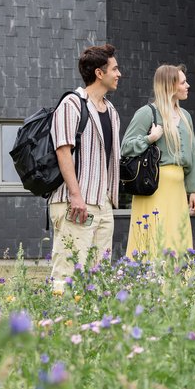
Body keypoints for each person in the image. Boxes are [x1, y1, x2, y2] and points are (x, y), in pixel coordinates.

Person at [49, 44, 122, 291]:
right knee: (68, 269)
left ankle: (92, 326)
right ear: (100, 74)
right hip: (76, 201)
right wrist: (76, 195)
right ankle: (59, 323)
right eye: (115, 68)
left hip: (102, 203)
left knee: (99, 274)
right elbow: (63, 149)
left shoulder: (111, 111)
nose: (119, 73)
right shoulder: (72, 103)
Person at [122, 64, 195, 257]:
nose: (187, 86)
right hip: (153, 186)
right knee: (152, 236)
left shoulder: (186, 117)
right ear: (170, 86)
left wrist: (194, 190)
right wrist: (149, 138)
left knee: (177, 236)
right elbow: (125, 147)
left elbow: (192, 154)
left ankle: (177, 284)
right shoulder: (147, 113)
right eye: (183, 82)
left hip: (177, 188)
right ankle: (145, 280)